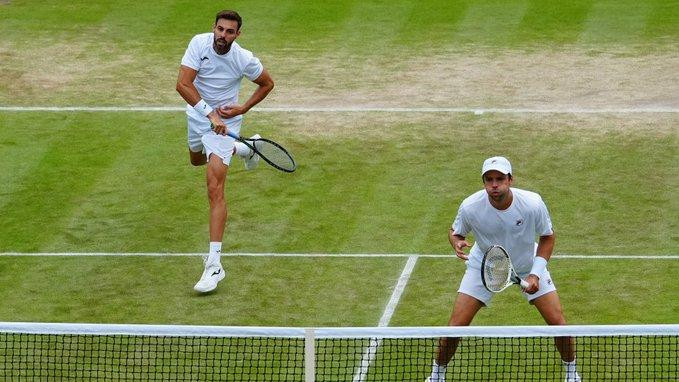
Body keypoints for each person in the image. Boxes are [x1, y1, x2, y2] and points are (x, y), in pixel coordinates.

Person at [426, 156, 581, 382]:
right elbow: (455, 230)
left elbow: (548, 237)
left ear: (510, 179)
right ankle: (436, 377)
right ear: (484, 182)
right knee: (454, 329)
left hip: (527, 263)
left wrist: (535, 273)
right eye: (489, 180)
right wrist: (456, 241)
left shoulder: (532, 203)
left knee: (559, 325)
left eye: (500, 179)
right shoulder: (470, 206)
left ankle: (571, 375)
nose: (494, 185)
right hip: (486, 264)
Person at [176, 10, 274, 293]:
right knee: (196, 160)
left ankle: (215, 265)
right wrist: (209, 116)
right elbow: (183, 84)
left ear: (237, 35)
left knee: (214, 187)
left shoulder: (243, 58)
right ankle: (245, 148)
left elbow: (267, 83)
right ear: (214, 28)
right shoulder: (199, 43)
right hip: (200, 116)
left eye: (230, 32)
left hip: (226, 121)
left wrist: (242, 108)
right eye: (220, 29)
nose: (223, 35)